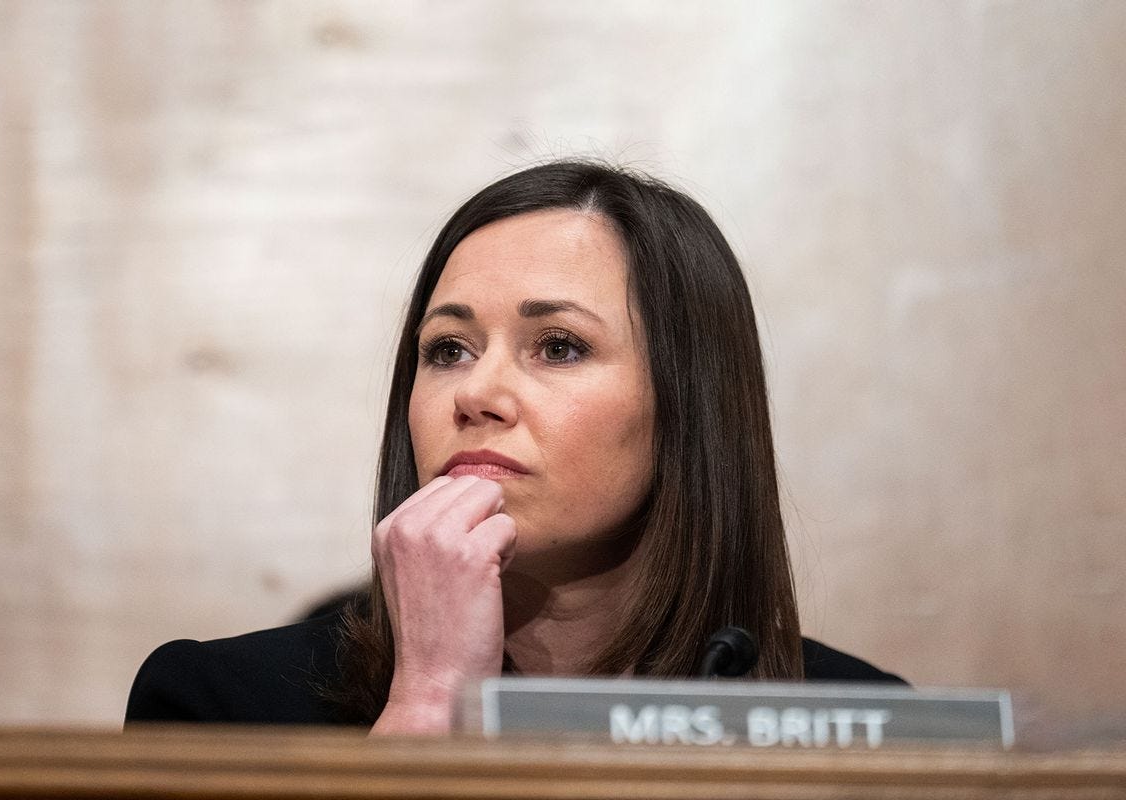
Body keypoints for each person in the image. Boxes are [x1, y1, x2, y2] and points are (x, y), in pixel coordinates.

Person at [126, 160, 903, 730]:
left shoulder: (870, 728)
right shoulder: (219, 708)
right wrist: (429, 698)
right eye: (448, 350)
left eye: (558, 346)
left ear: (687, 406)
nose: (477, 394)